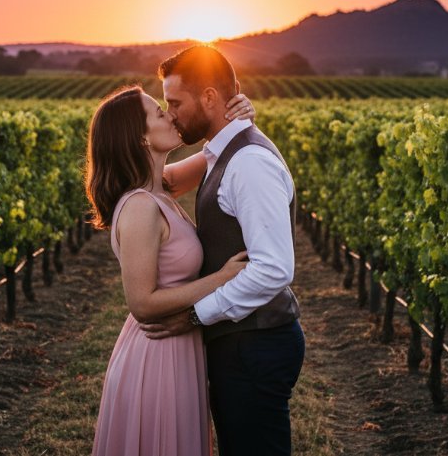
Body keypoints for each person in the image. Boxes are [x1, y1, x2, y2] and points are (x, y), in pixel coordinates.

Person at [141, 45, 305, 456]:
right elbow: (160, 182)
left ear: (211, 98)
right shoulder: (221, 151)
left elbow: (273, 269)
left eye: (175, 102)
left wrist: (196, 314)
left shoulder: (248, 161)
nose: (171, 112)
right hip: (242, 342)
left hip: (254, 344)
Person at [87, 84, 257, 456]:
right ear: (141, 137)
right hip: (157, 356)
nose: (170, 114)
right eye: (157, 112)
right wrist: (221, 280)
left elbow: (220, 152)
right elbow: (142, 303)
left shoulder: (162, 187)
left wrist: (239, 117)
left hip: (179, 347)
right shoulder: (140, 207)